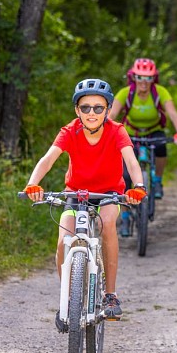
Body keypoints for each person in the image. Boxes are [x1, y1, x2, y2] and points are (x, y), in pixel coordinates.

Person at [23, 78, 148, 329]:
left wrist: (138, 186)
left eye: (98, 108)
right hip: (76, 193)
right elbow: (48, 159)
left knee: (108, 224)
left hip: (109, 193)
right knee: (63, 239)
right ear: (77, 110)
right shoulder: (70, 131)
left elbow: (132, 162)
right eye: (86, 107)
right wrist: (33, 184)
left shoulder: (117, 131)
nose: (92, 113)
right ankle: (67, 299)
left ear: (108, 109)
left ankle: (109, 294)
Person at [109, 58, 177, 235]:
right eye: (140, 77)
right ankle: (126, 217)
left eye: (148, 78)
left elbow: (172, 113)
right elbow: (112, 114)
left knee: (161, 148)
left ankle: (157, 181)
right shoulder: (126, 93)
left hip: (154, 131)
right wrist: (105, 133)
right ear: (133, 77)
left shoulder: (160, 92)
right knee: (126, 175)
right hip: (131, 134)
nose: (144, 82)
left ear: (153, 79)